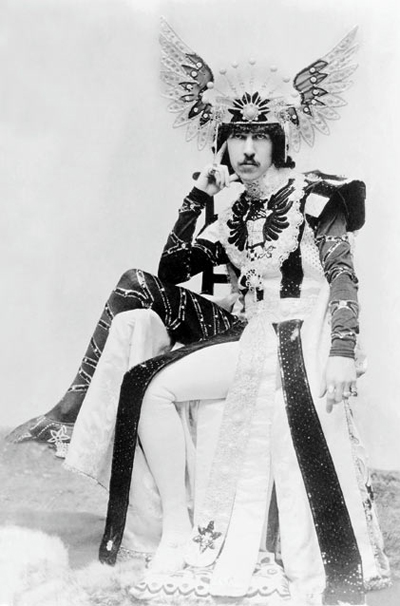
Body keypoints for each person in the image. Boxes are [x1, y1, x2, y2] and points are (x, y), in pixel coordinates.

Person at [13, 19, 391, 605]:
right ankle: (177, 531)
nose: (246, 150)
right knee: (148, 385)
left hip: (299, 344)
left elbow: (344, 276)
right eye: (236, 136)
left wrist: (342, 350)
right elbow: (170, 270)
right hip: (250, 339)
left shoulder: (317, 197)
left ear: (279, 140)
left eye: (258, 136)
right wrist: (198, 197)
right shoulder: (236, 210)